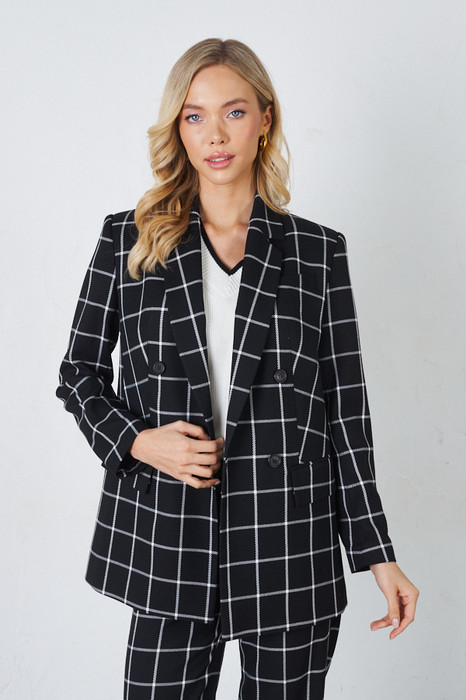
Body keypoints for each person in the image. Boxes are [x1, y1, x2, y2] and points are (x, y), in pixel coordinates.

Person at [56, 37, 419, 700]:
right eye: (194, 116)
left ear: (265, 119)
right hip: (171, 536)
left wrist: (377, 554)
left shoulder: (317, 253)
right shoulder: (128, 239)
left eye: (234, 111)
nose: (215, 135)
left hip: (290, 543)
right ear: (178, 128)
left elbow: (346, 416)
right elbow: (78, 372)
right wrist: (137, 441)